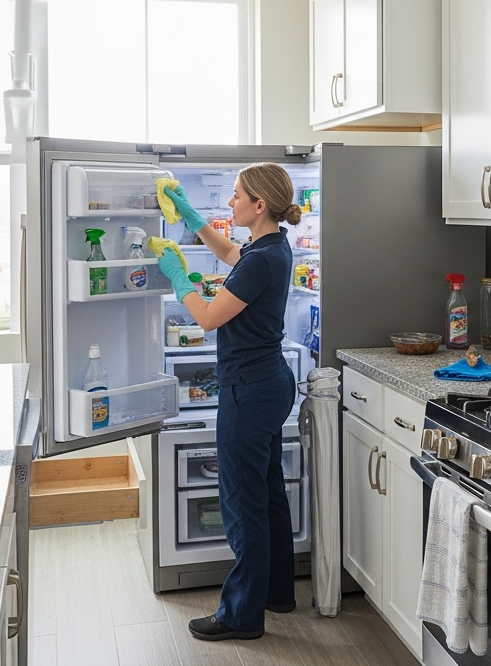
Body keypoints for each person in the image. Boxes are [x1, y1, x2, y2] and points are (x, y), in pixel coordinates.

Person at [156, 163, 302, 642]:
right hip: (271, 383)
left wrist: (179, 276)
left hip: (248, 390)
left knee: (243, 505)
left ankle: (241, 615)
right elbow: (228, 250)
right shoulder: (270, 246)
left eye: (236, 196)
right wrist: (190, 217)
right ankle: (278, 592)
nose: (230, 203)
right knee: (269, 493)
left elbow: (208, 318)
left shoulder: (262, 259)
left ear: (260, 205)